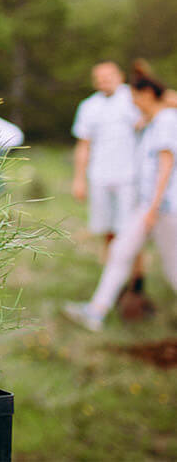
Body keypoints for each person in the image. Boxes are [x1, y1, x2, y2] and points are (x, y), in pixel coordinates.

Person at [64, 70, 177, 331]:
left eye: (136, 97)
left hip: (163, 208)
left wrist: (153, 208)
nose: (133, 103)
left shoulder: (167, 121)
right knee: (120, 251)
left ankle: (99, 309)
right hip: (148, 206)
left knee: (173, 269)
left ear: (147, 95)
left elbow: (166, 165)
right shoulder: (154, 121)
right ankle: (96, 312)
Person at [70, 61, 149, 316]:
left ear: (120, 77)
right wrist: (79, 178)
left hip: (129, 177)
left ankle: (136, 284)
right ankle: (112, 285)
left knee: (130, 232)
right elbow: (83, 145)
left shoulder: (132, 97)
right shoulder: (89, 106)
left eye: (109, 76)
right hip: (100, 177)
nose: (104, 81)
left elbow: (153, 116)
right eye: (99, 77)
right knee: (108, 231)